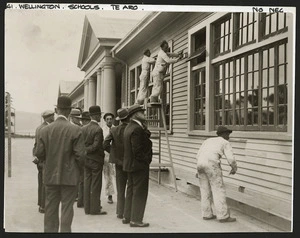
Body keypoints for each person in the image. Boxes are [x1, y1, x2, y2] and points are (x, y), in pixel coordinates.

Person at [34, 96, 85, 232]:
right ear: (69, 111)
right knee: (67, 209)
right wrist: (79, 172)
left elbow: (39, 153)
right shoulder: (76, 130)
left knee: (50, 209)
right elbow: (81, 156)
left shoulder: (44, 130)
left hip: (50, 176)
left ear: (56, 110)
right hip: (70, 177)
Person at [196, 126, 238, 223]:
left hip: (200, 164)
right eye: (228, 134)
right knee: (218, 189)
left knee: (204, 189)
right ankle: (223, 216)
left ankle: (207, 214)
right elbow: (231, 158)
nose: (229, 136)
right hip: (212, 164)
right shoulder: (225, 142)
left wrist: (197, 170)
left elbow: (198, 155)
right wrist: (234, 168)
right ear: (223, 134)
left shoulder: (207, 141)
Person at [123, 104, 152, 227]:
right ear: (135, 115)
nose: (144, 114)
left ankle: (127, 216)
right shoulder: (137, 129)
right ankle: (136, 219)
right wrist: (146, 161)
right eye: (141, 112)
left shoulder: (129, 127)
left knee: (130, 190)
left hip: (130, 164)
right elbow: (138, 150)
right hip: (139, 165)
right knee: (140, 192)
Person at [103, 108, 129, 219]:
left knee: (120, 187)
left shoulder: (114, 130)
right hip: (129, 161)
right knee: (131, 187)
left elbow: (105, 144)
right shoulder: (131, 129)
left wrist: (113, 153)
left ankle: (120, 212)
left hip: (118, 161)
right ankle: (128, 212)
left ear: (117, 119)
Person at [82, 106, 107, 215]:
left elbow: (81, 144)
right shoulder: (98, 129)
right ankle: (95, 209)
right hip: (96, 160)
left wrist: (84, 151)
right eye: (99, 115)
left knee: (87, 183)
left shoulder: (83, 128)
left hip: (86, 160)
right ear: (95, 116)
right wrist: (88, 150)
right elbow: (96, 146)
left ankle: (87, 208)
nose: (101, 117)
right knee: (96, 185)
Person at [32, 110, 55, 214]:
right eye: (52, 116)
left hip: (39, 159)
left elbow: (36, 144)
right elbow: (44, 146)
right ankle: (44, 206)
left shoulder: (38, 128)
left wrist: (36, 156)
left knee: (41, 182)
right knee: (45, 183)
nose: (53, 118)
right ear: (48, 117)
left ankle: (41, 205)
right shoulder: (47, 128)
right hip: (45, 159)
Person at [102, 112, 115, 204]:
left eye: (111, 119)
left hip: (116, 155)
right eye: (107, 119)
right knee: (108, 175)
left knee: (117, 175)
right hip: (106, 155)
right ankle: (109, 195)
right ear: (105, 120)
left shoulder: (116, 129)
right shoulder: (102, 130)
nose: (109, 121)